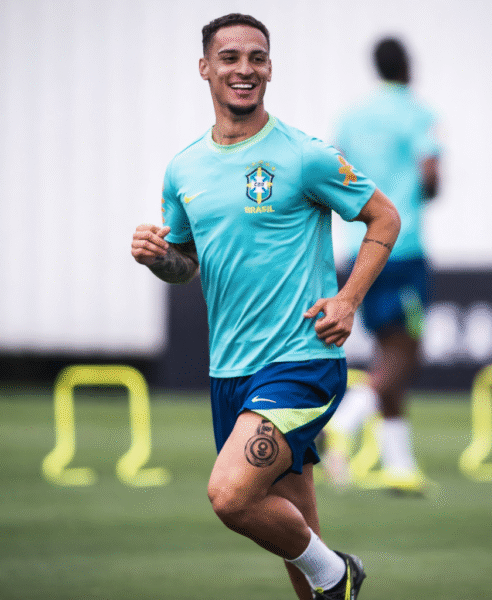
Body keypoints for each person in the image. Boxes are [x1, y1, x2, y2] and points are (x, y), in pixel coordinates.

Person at [130, 14, 400, 600]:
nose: (243, 69)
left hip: (300, 360)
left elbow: (385, 216)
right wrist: (159, 258)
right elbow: (185, 264)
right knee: (292, 522)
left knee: (230, 495)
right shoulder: (185, 168)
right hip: (230, 370)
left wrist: (349, 298)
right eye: (229, 57)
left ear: (270, 68)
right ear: (205, 68)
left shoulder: (304, 156)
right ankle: (328, 582)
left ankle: (339, 574)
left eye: (256, 57)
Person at [323, 37, 442, 495]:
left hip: (361, 249)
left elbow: (336, 175)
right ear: (407, 66)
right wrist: (425, 193)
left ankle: (399, 466)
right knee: (405, 353)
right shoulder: (416, 112)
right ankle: (345, 422)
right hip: (404, 246)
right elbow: (430, 173)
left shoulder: (352, 117)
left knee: (387, 352)